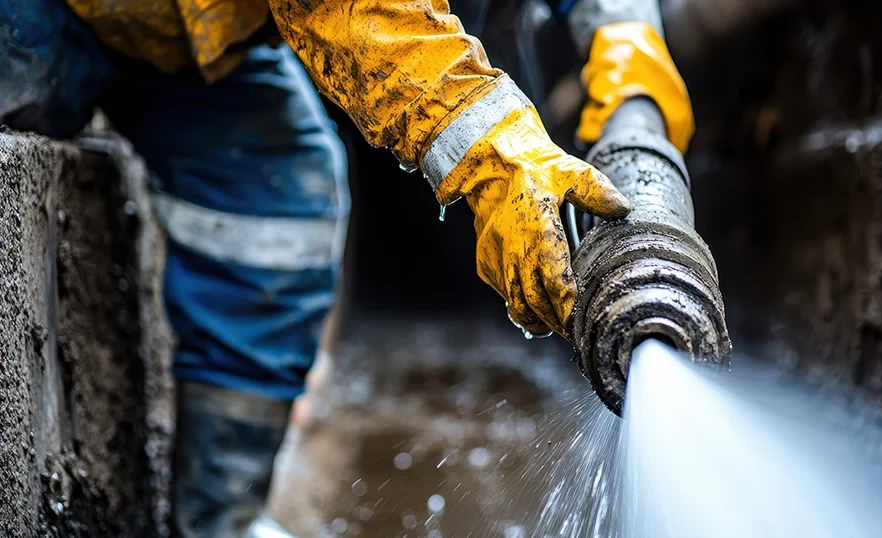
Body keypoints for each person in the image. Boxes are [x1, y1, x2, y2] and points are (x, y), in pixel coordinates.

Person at [0, 0, 692, 535]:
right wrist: (498, 159)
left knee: (283, 201)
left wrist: (630, 64)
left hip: (191, 44)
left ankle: (219, 522)